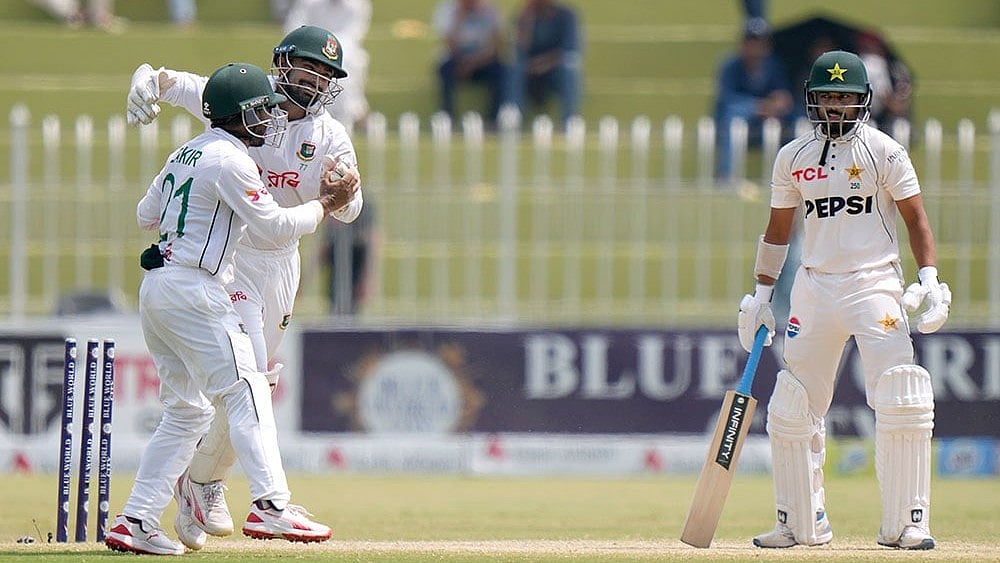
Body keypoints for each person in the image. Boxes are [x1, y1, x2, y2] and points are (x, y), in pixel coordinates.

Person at [125, 25, 363, 550]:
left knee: (256, 386)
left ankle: (200, 484)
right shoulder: (245, 96)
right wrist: (145, 79)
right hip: (231, 260)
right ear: (282, 63)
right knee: (247, 380)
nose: (315, 80)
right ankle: (265, 503)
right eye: (308, 67)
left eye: (325, 74)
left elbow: (351, 208)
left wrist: (340, 196)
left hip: (281, 264)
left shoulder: (329, 136)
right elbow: (173, 83)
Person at [738, 50, 950, 550]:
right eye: (827, 97)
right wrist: (762, 295)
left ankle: (907, 523)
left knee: (901, 395)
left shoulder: (885, 152)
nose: (836, 106)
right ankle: (799, 522)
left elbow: (916, 220)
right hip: (814, 287)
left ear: (863, 101)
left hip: (875, 283)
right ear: (812, 100)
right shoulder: (793, 156)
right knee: (793, 404)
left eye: (846, 97)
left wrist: (930, 279)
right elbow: (777, 231)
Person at [713, 16, 793, 182]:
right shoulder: (730, 66)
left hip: (767, 118)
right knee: (734, 118)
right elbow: (726, 97)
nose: (755, 48)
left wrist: (779, 101)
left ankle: (788, 175)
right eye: (751, 42)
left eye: (760, 43)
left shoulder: (773, 65)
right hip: (737, 116)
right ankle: (726, 176)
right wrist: (757, 106)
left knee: (794, 119)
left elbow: (782, 91)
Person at [282, 0, 372, 131]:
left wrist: (326, 48)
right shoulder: (308, 3)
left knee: (353, 60)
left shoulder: (358, 5)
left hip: (341, 52)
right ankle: (356, 110)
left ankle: (346, 113)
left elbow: (353, 36)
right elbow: (293, 29)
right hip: (308, 50)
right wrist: (314, 45)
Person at [505, 0, 582, 128]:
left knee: (569, 70)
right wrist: (526, 22)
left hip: (554, 70)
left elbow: (569, 50)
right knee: (514, 68)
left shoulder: (566, 15)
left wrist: (544, 64)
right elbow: (519, 51)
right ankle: (513, 116)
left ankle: (569, 119)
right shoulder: (524, 16)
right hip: (529, 70)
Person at [431, 0, 508, 127]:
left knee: (500, 70)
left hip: (482, 60)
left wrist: (474, 62)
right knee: (445, 70)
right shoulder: (446, 10)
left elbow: (496, 47)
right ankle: (448, 116)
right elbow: (449, 44)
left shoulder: (490, 10)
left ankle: (493, 119)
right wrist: (459, 18)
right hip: (457, 59)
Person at [323, 200, 379, 316]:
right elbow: (325, 245)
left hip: (354, 261)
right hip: (336, 264)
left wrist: (367, 277)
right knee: (336, 308)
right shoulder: (331, 201)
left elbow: (372, 239)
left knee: (350, 312)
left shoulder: (362, 205)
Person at [855, 31, 912, 135]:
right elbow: (883, 94)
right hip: (872, 111)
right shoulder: (875, 64)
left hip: (858, 109)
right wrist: (896, 107)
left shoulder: (857, 62)